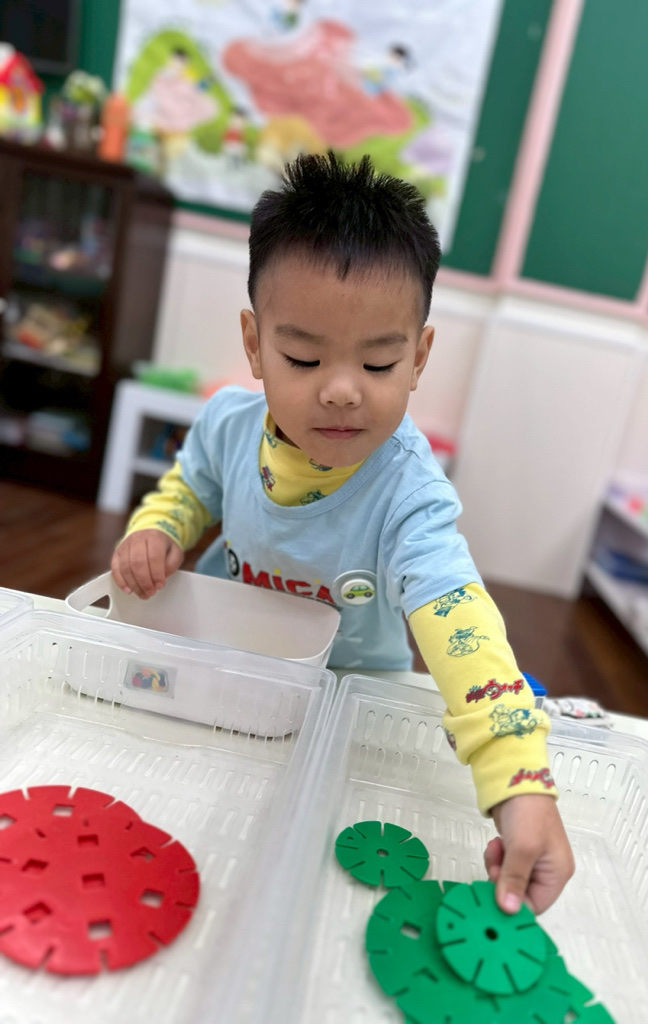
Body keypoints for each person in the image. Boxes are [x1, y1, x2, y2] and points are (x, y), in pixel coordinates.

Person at [111, 153, 574, 915]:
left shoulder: (408, 491)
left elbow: (457, 614)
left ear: (418, 357)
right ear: (255, 344)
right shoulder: (228, 424)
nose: (341, 389)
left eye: (380, 362)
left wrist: (518, 780)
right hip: (233, 669)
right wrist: (159, 528)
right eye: (303, 357)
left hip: (350, 701)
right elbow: (189, 488)